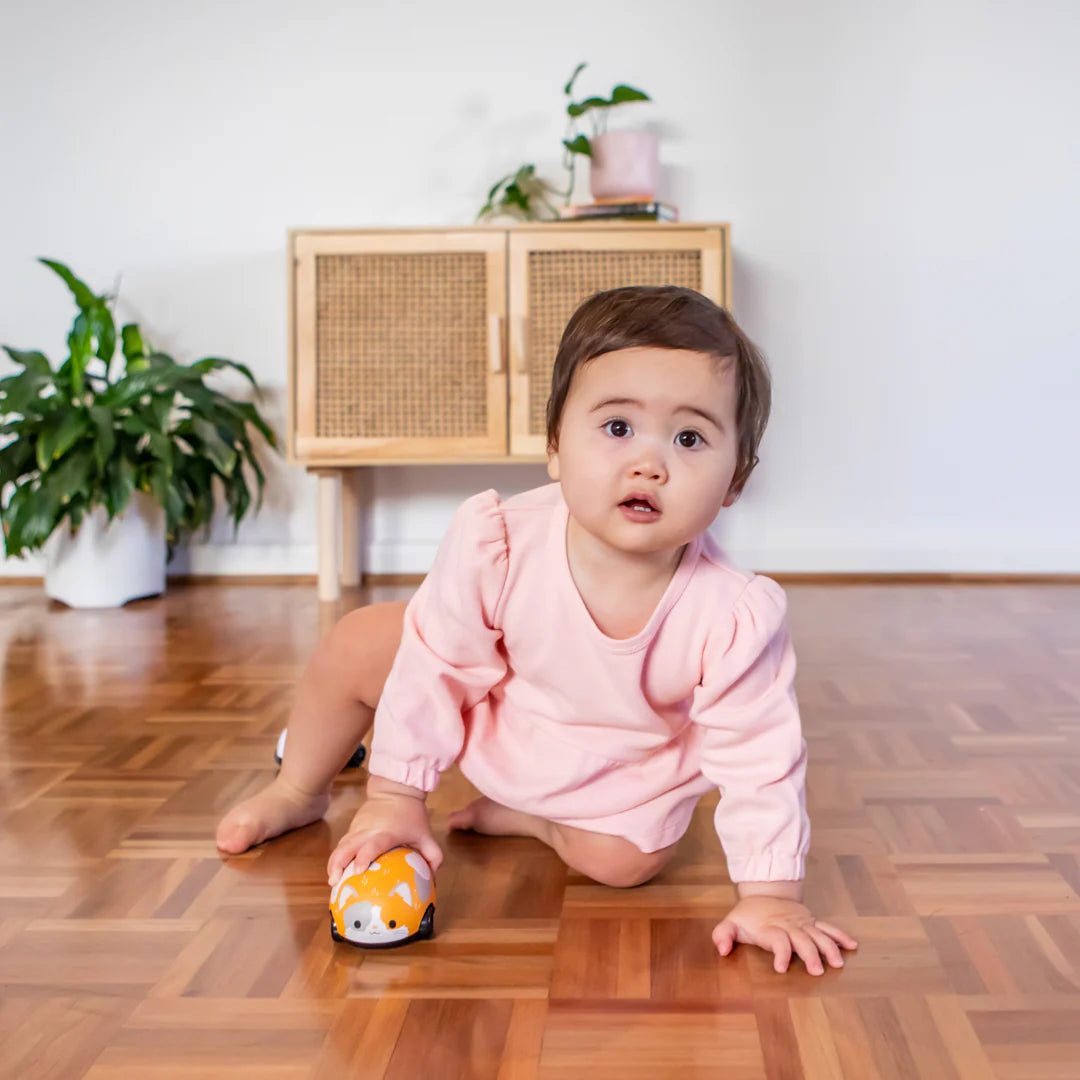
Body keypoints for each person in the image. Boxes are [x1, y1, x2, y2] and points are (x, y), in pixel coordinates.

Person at [216, 285, 857, 976]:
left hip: (613, 756)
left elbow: (760, 757)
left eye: (689, 438)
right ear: (554, 446)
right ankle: (301, 786)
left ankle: (535, 816)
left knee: (625, 862)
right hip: (492, 703)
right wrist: (396, 796)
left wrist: (770, 894)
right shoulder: (499, 540)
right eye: (617, 428)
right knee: (359, 645)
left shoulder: (732, 616)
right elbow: (436, 664)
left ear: (735, 480)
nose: (649, 463)